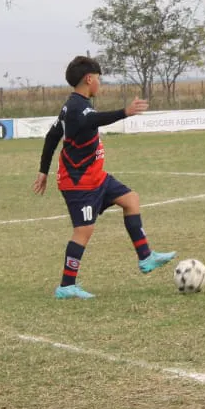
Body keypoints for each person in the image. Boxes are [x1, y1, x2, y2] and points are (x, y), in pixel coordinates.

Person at [32, 56, 176, 299]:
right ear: (89, 79)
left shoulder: (75, 104)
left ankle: (145, 257)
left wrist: (43, 171)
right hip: (79, 182)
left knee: (131, 200)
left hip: (96, 176)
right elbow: (91, 120)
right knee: (83, 231)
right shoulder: (77, 108)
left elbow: (52, 136)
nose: (100, 83)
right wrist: (125, 112)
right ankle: (66, 286)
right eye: (99, 78)